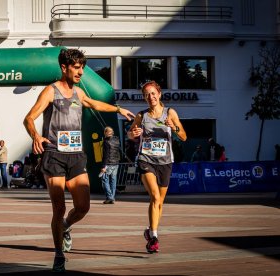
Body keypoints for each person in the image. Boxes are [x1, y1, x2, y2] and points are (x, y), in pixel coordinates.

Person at [23, 48, 134, 272]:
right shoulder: (50, 91)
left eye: (82, 67)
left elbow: (95, 104)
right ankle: (58, 256)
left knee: (83, 207)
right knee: (58, 207)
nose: (81, 72)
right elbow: (29, 118)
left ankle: (66, 226)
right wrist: (35, 135)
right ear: (64, 68)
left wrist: (119, 109)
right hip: (54, 154)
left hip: (75, 155)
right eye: (76, 67)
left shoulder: (79, 94)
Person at [127, 80, 187, 254]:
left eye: (153, 93)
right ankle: (153, 236)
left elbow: (183, 136)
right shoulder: (141, 116)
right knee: (154, 196)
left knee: (159, 202)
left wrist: (174, 127)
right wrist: (133, 133)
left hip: (165, 162)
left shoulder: (170, 113)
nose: (150, 97)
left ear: (159, 94)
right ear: (144, 98)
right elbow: (130, 133)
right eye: (147, 95)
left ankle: (149, 229)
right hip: (146, 160)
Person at [100, 126, 121, 204]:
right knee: (113, 180)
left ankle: (110, 197)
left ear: (105, 133)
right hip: (116, 163)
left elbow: (105, 155)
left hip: (108, 163)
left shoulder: (106, 141)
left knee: (104, 180)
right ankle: (112, 197)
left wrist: (103, 166)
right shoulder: (117, 140)